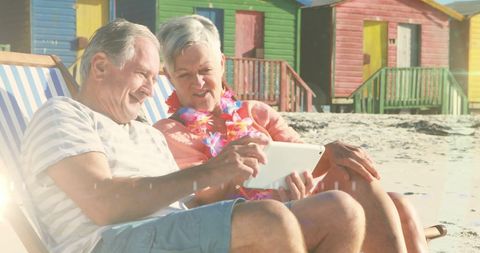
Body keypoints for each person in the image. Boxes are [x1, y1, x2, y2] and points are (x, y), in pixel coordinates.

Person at [20, 19, 366, 253]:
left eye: (157, 78)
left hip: (169, 233)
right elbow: (103, 203)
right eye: (143, 74)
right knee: (268, 219)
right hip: (109, 241)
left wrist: (254, 184)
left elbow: (187, 207)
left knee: (339, 210)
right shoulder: (63, 114)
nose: (150, 90)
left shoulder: (144, 132)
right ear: (99, 67)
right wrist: (209, 171)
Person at [154, 15, 429, 253]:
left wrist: (330, 152)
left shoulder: (256, 112)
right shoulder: (168, 133)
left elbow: (308, 159)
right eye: (185, 75)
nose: (198, 83)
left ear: (222, 64)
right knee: (346, 207)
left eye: (205, 70)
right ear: (168, 77)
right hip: (241, 229)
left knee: (389, 199)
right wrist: (232, 175)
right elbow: (199, 202)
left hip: (294, 207)